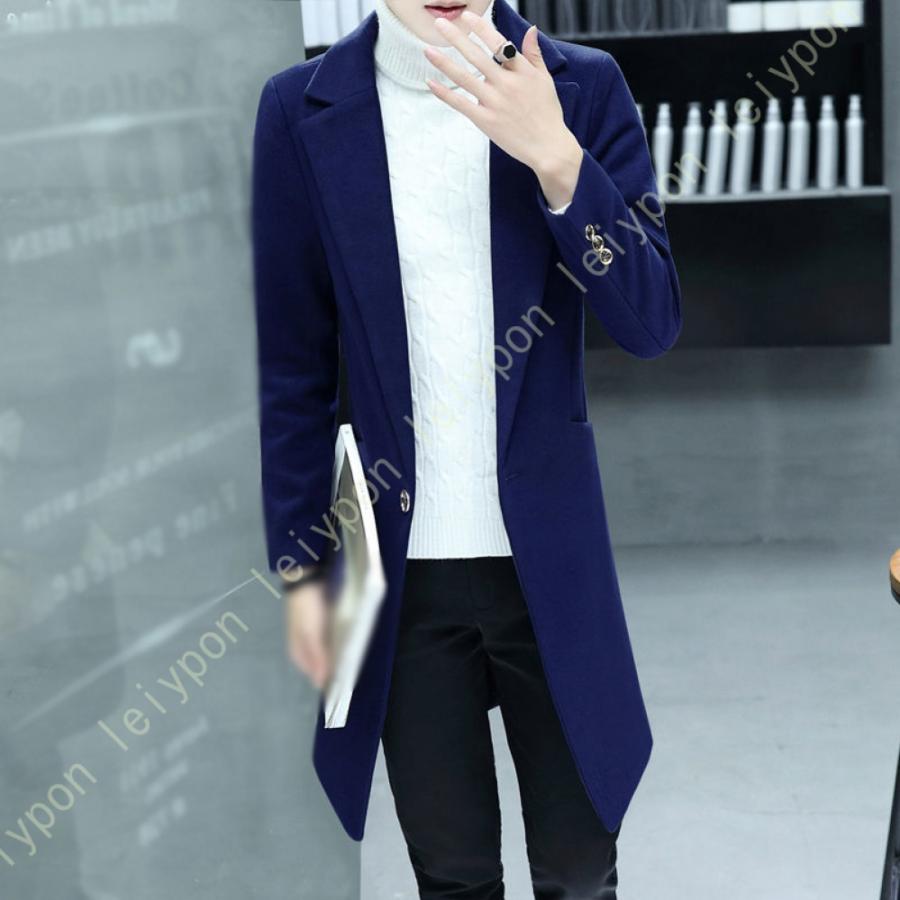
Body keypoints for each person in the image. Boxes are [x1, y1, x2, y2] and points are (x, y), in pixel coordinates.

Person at [251, 0, 682, 896]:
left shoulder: (581, 87)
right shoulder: (301, 108)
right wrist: (304, 571)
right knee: (451, 875)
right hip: (395, 570)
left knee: (579, 870)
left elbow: (649, 321)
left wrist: (556, 157)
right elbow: (293, 368)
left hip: (547, 556)